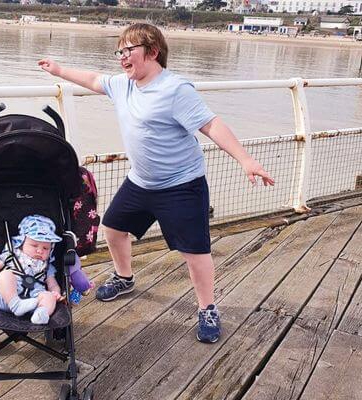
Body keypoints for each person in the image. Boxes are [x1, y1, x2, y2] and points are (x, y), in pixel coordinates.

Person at [38, 23, 274, 343]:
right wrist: (59, 70)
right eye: (119, 51)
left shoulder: (176, 90)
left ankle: (207, 308)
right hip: (141, 181)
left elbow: (211, 125)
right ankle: (125, 277)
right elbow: (95, 80)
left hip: (181, 185)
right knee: (114, 228)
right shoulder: (124, 85)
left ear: (152, 52)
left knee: (195, 252)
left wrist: (246, 160)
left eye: (129, 50)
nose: (122, 57)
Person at [0, 214, 69, 324]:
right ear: (21, 243)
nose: (40, 251)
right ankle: (16, 304)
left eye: (45, 248)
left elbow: (52, 285)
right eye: (34, 245)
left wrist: (55, 293)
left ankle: (40, 314)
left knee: (49, 297)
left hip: (33, 302)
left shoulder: (47, 266)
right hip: (4, 298)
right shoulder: (11, 254)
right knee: (6, 275)